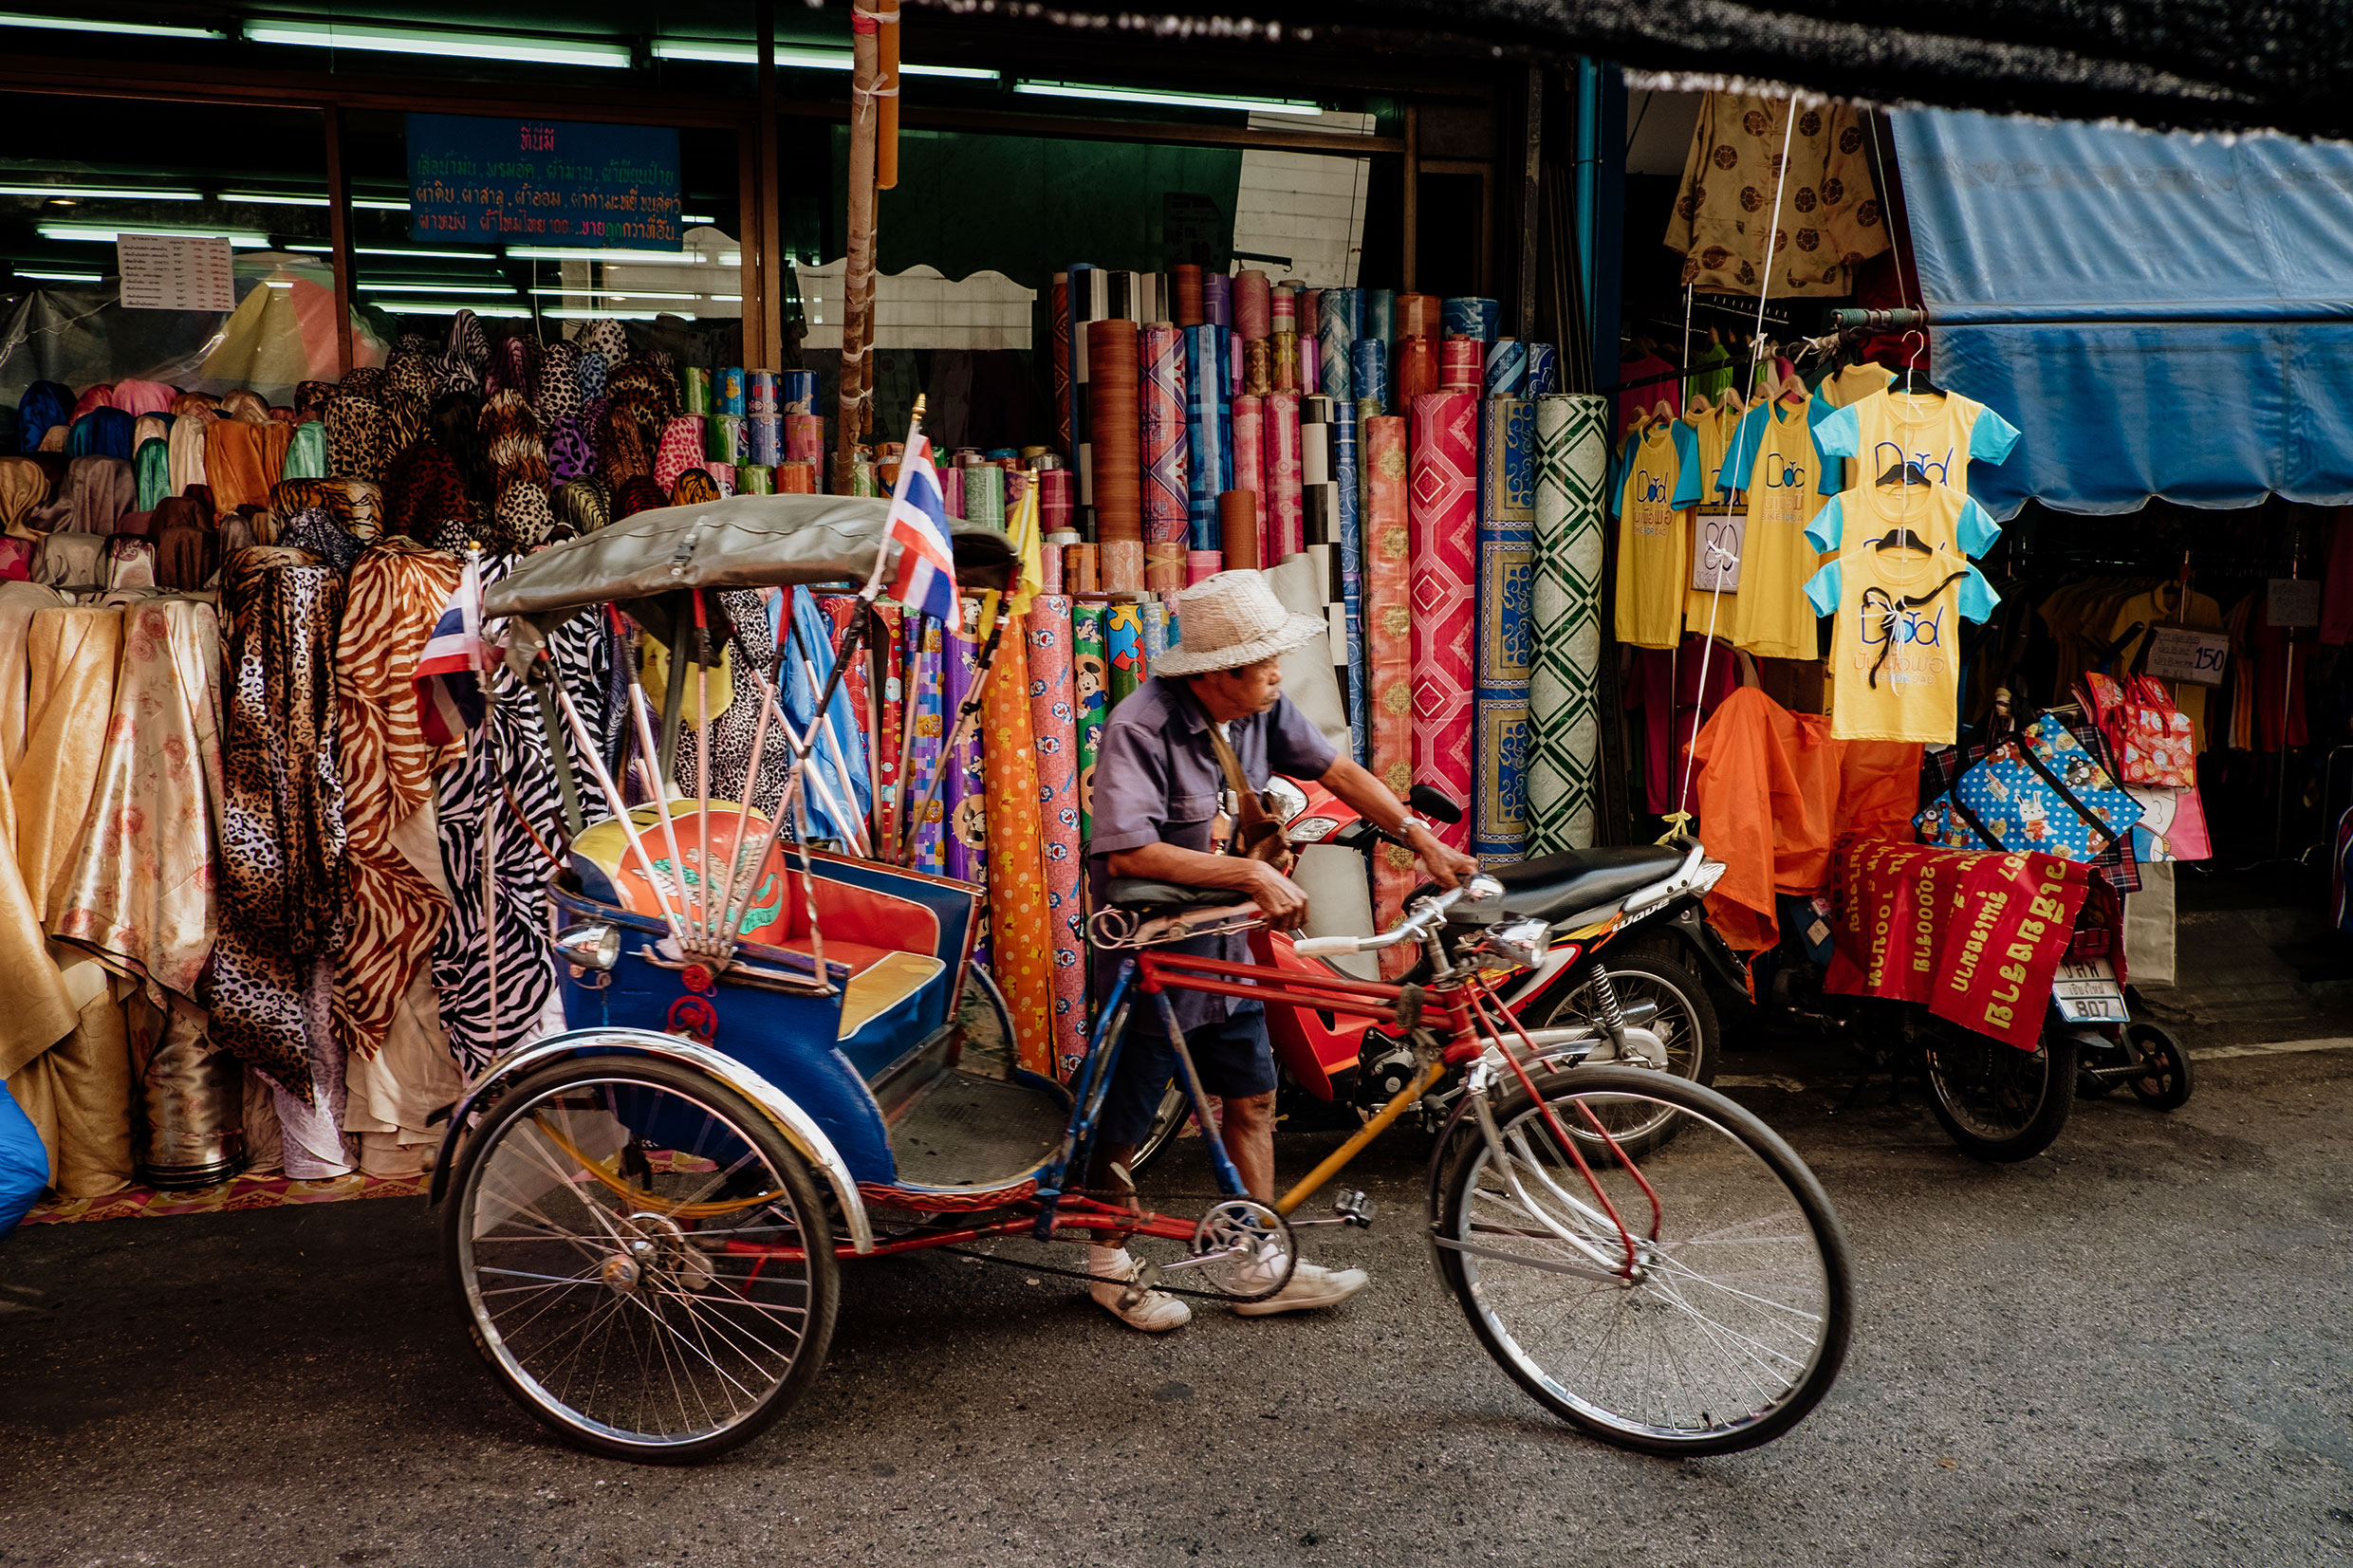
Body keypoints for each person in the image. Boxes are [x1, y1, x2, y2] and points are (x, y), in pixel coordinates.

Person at [1083, 570, 1477, 1331]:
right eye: (1264, 663)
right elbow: (1128, 855)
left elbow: (1338, 770)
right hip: (1153, 951)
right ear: (1218, 673)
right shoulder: (1142, 727)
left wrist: (1419, 837)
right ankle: (1108, 1264)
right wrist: (1250, 870)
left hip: (1226, 944)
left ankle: (1255, 1262)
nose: (1277, 673)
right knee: (1126, 1118)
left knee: (1254, 1097)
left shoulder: (1262, 710)